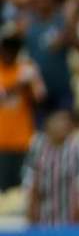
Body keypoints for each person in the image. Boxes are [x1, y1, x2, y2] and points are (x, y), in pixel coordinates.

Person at [0, 32, 46, 190]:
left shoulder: (26, 70)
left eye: (12, 52)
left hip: (23, 140)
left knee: (20, 190)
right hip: (1, 142)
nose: (8, 55)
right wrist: (19, 85)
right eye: (5, 51)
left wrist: (30, 87)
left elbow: (41, 100)